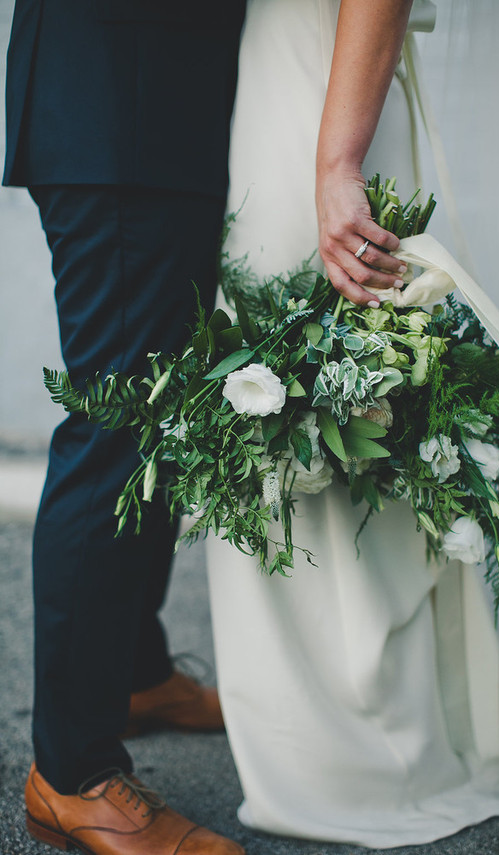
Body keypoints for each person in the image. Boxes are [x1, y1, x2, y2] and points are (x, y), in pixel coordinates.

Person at [207, 0, 499, 847]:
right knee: (316, 410)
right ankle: (375, 729)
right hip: (308, 90)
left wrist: (336, 159)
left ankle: (350, 749)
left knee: (325, 404)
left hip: (318, 109)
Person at [3, 1, 246, 852]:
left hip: (163, 111)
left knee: (163, 419)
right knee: (117, 426)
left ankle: (136, 670)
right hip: (117, 99)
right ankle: (69, 775)